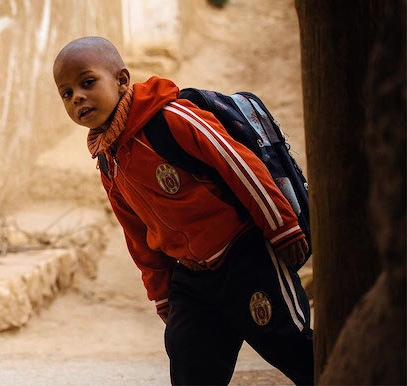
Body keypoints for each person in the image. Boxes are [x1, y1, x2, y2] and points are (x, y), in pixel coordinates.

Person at [52, 36, 313, 385]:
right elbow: (138, 234)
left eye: (87, 82)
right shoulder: (108, 159)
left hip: (247, 257)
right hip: (192, 278)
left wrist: (282, 226)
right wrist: (161, 293)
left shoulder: (171, 118)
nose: (78, 98)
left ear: (122, 80)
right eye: (66, 93)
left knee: (294, 348)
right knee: (190, 360)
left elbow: (238, 164)